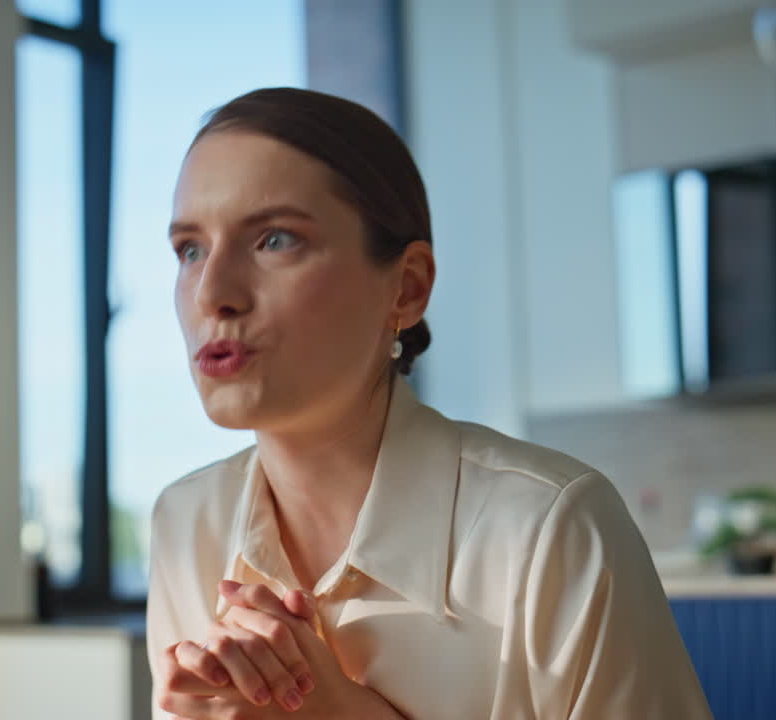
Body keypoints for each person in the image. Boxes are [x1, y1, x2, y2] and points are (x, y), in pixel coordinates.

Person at [146, 87, 711, 720]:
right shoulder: (185, 523)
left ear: (407, 289)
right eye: (189, 249)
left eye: (275, 240)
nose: (211, 293)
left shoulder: (552, 528)